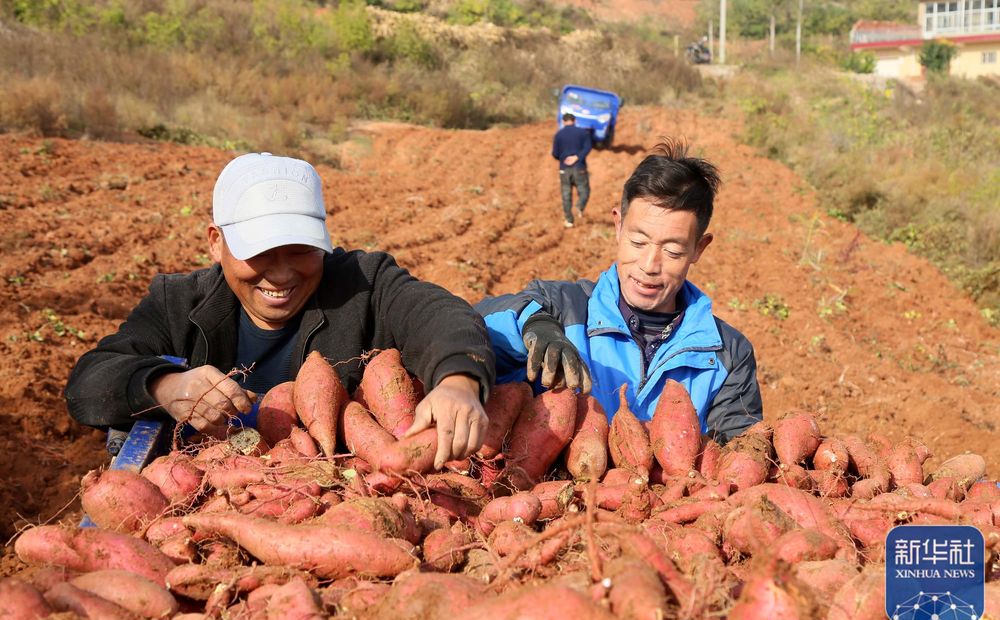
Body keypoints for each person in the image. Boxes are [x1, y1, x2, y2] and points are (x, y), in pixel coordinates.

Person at [65, 152, 494, 469]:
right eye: (261, 253)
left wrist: (459, 381)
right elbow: (90, 380)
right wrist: (164, 386)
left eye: (301, 250)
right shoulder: (178, 302)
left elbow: (439, 314)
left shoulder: (364, 283)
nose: (282, 274)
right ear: (216, 242)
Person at [477, 139, 762, 443]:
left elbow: (738, 460)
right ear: (618, 226)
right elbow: (473, 324)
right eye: (638, 243)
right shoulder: (561, 308)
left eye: (673, 251)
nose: (650, 265)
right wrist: (535, 324)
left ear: (699, 249)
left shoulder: (727, 355)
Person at [551, 112, 592, 228]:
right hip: (579, 167)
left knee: (566, 194)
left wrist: (564, 158)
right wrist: (577, 157)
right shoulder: (583, 133)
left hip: (564, 168)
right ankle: (579, 206)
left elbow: (555, 153)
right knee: (584, 190)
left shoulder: (558, 135)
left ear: (563, 121)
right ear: (574, 121)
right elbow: (588, 147)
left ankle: (569, 221)